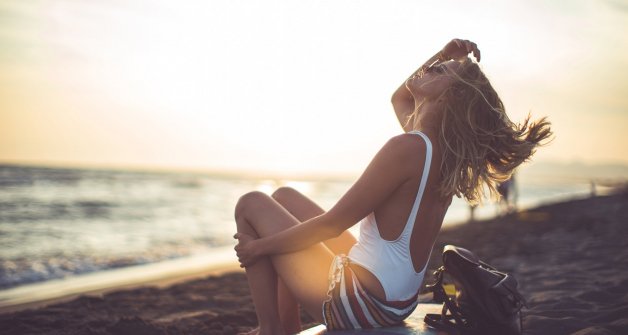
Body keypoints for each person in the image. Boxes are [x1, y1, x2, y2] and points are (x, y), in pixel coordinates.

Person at [233, 38, 552, 334]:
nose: (429, 68)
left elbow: (332, 225)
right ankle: (287, 326)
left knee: (250, 203)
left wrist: (259, 248)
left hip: (363, 304)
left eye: (438, 70)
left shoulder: (409, 148)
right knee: (283, 197)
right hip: (394, 301)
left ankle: (271, 329)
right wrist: (444, 54)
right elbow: (400, 96)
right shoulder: (437, 151)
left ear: (449, 97)